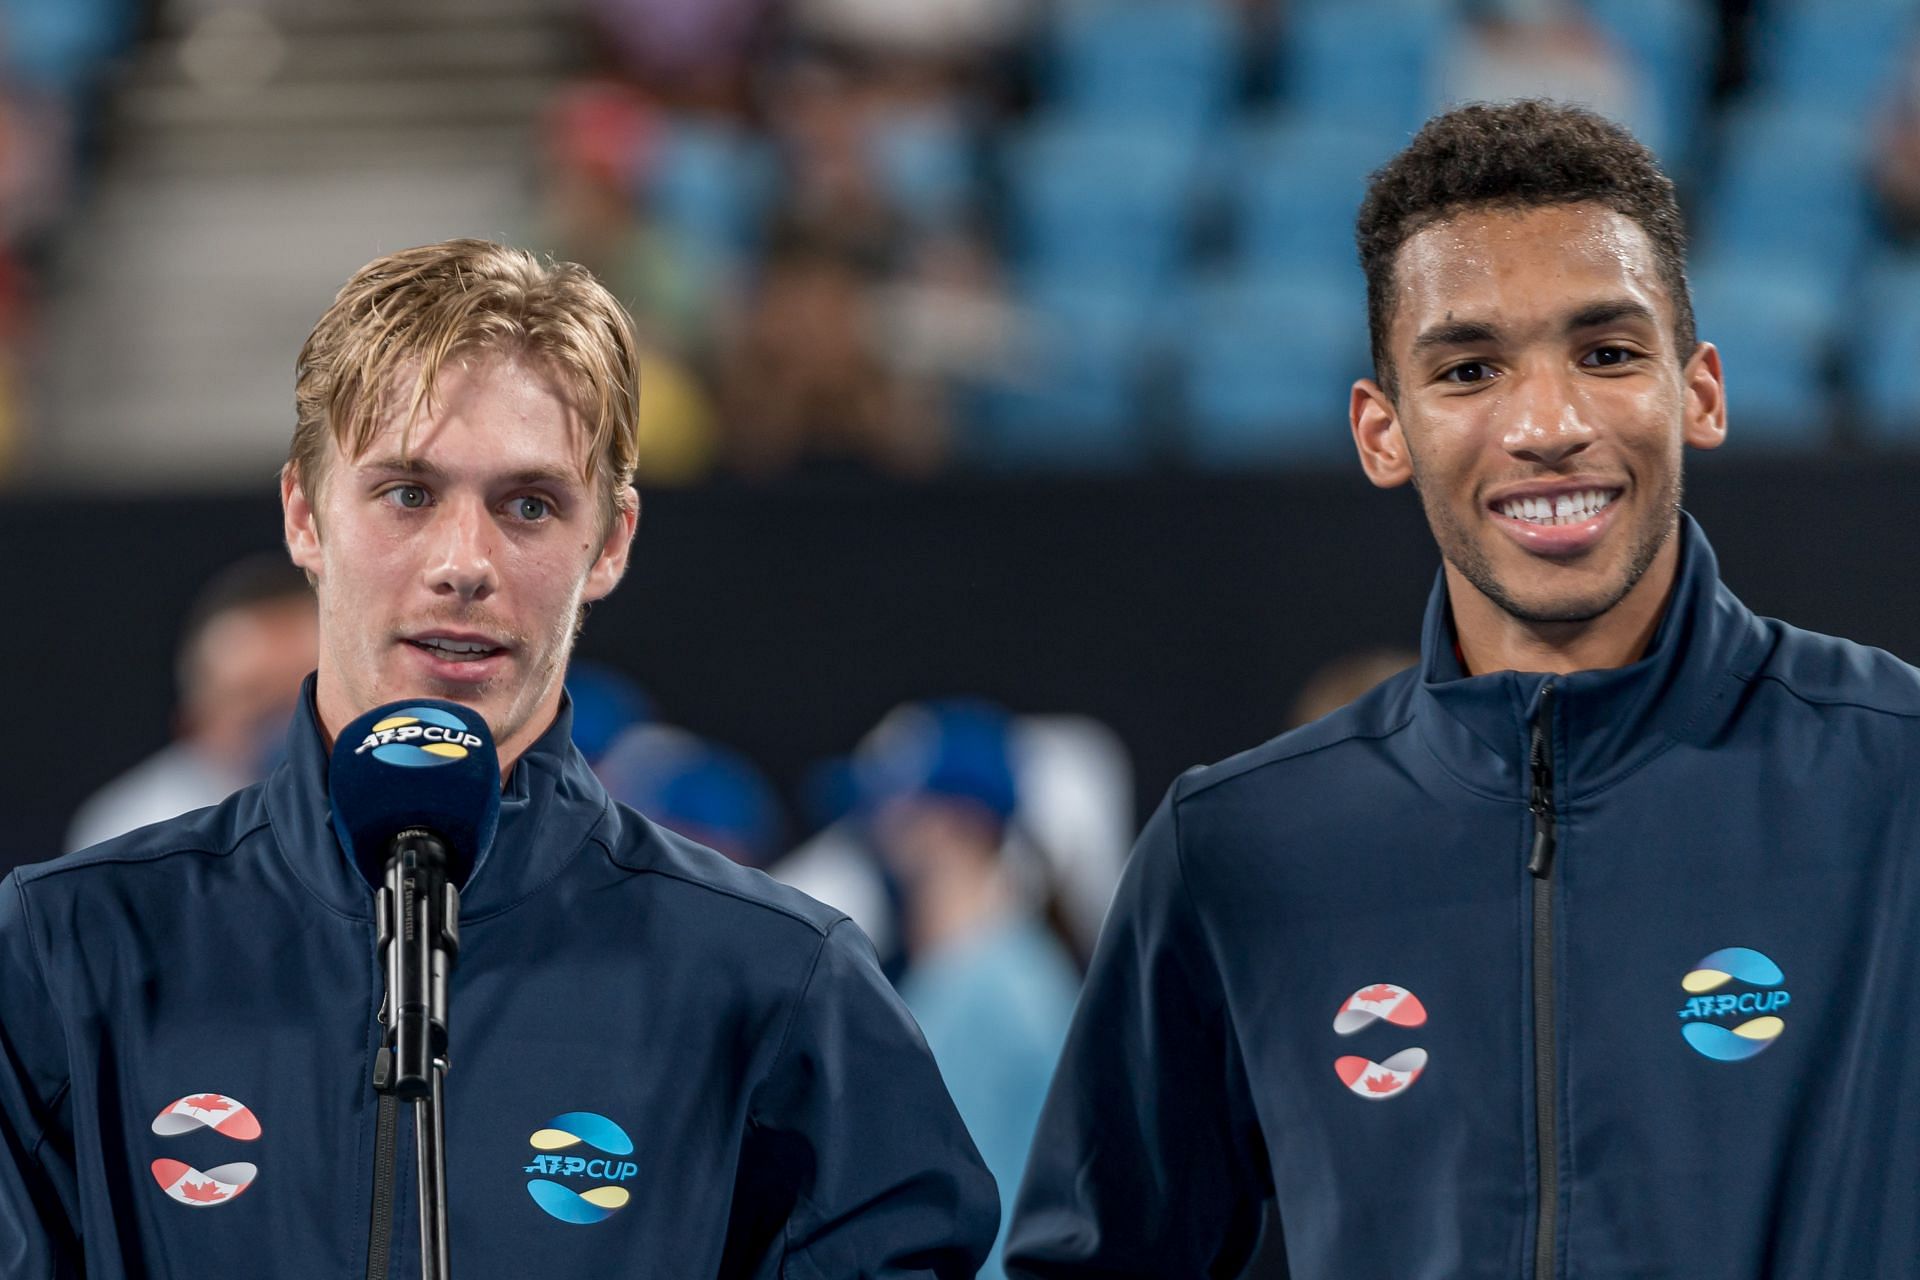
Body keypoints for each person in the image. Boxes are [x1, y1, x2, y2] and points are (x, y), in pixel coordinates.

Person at [1006, 100, 1920, 1278]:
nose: (1546, 423)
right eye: (1470, 368)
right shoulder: (1238, 850)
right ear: (1383, 431)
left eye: (1607, 352)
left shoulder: (1897, 784)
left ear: (1699, 391)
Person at [1, 239, 997, 1278]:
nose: (463, 564)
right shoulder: (71, 953)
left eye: (529, 504)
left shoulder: (781, 986)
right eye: (407, 492)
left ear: (609, 540)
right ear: (305, 513)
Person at [64, 552, 317, 852]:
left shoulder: (379, 797)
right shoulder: (136, 832)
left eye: (306, 686)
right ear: (192, 723)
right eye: (255, 696)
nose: (287, 719)